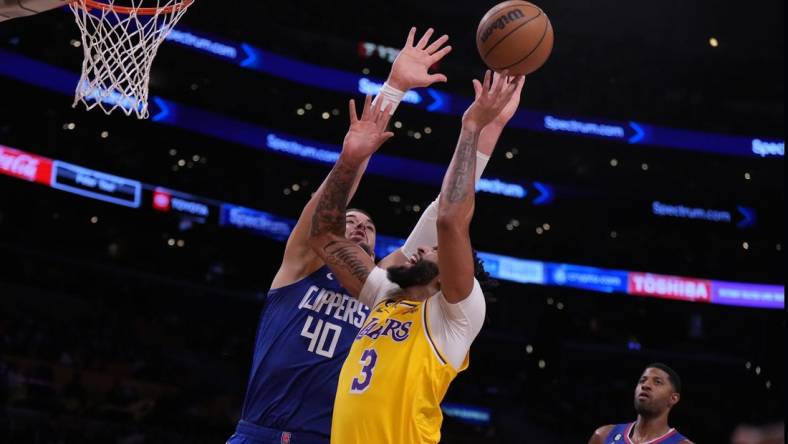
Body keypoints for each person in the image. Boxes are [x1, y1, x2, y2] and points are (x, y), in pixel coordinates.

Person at [227, 27, 453, 444]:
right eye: (351, 221)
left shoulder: (380, 286)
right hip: (260, 432)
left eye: (368, 227)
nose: (360, 226)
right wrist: (393, 88)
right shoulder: (302, 263)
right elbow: (331, 202)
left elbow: (439, 216)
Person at [308, 69, 522, 444]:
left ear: (454, 269)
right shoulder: (384, 294)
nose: (422, 247)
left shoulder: (457, 315)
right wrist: (349, 160)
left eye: (435, 249)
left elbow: (450, 218)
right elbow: (324, 235)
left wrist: (473, 127)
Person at [588, 363, 694, 444]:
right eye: (642, 381)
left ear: (673, 398)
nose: (645, 385)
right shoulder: (603, 436)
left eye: (657, 382)